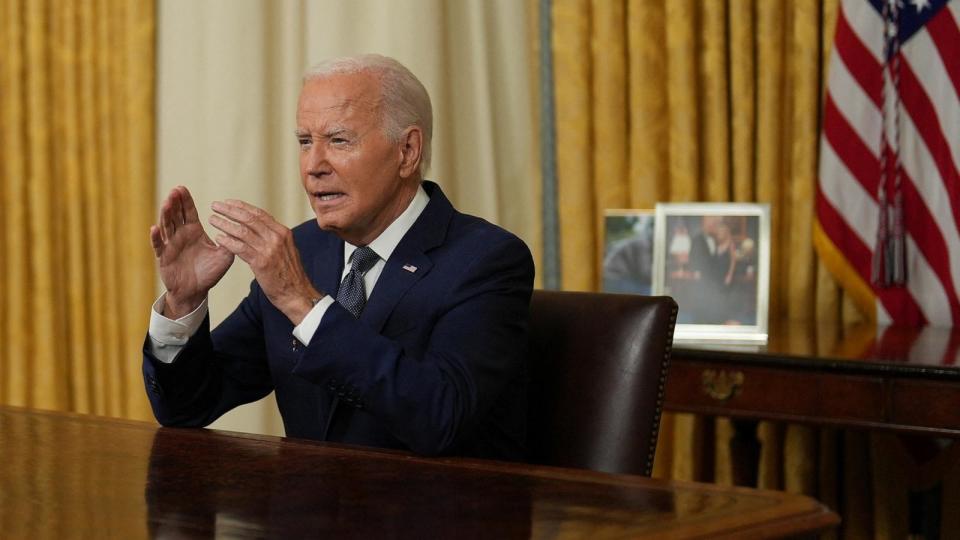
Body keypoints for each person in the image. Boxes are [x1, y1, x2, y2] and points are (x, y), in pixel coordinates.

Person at [142, 54, 535, 460]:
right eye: (305, 142)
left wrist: (303, 303)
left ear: (408, 151)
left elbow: (440, 417)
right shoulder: (303, 251)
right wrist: (183, 305)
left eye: (339, 140)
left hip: (432, 516)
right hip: (307, 516)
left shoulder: (486, 260)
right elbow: (188, 406)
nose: (313, 166)